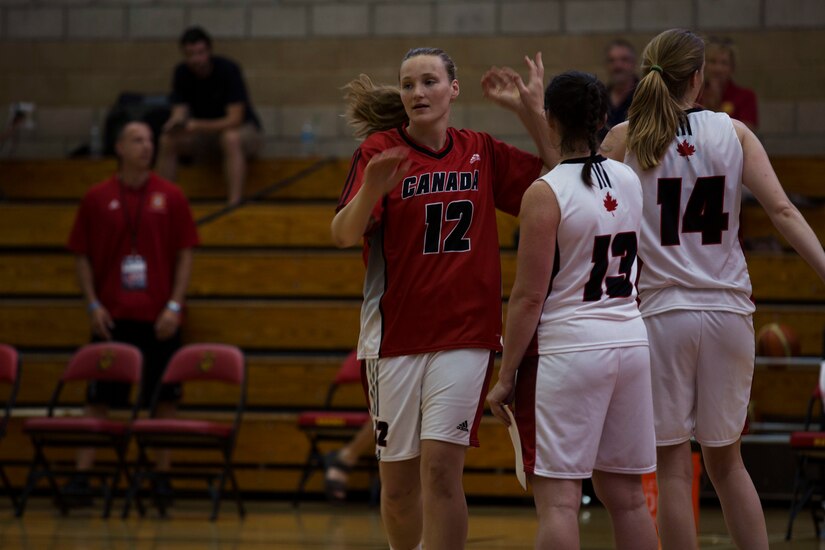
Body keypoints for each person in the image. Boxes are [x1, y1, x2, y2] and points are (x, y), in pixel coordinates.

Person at [595, 29, 825, 549]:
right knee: (728, 463)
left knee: (674, 466)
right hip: (727, 312)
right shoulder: (734, 132)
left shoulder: (622, 140)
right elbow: (784, 212)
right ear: (698, 78)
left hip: (660, 315)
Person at [330, 47, 552, 550]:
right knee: (399, 489)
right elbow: (343, 234)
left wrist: (527, 111)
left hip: (465, 335)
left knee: (441, 473)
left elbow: (557, 177)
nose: (417, 93)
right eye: (408, 85)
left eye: (429, 82)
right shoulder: (379, 151)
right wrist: (369, 191)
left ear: (453, 89)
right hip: (394, 339)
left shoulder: (480, 149)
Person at [486, 71, 658, 550]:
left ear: (551, 119)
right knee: (627, 499)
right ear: (604, 119)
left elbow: (527, 297)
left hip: (570, 352)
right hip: (629, 341)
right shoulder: (627, 177)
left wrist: (505, 375)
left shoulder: (545, 192)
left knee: (560, 503)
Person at [66, 121, 200, 502]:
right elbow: (81, 255)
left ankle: (160, 476)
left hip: (160, 318)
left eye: (150, 140)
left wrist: (175, 305)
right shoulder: (96, 198)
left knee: (165, 399)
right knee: (99, 398)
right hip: (112, 317)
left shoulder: (171, 196)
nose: (147, 146)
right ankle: (81, 476)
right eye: (137, 140)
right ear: (119, 147)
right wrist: (91, 304)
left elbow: (185, 253)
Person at [156, 26, 262, 206]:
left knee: (230, 138)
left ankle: (234, 203)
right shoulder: (182, 73)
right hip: (205, 135)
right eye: (190, 54)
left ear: (209, 51)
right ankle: (161, 202)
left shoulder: (228, 69)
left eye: (200, 52)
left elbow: (235, 119)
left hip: (240, 130)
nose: (197, 59)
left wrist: (197, 125)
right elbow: (179, 110)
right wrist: (175, 123)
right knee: (168, 140)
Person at [698, 36, 758, 132]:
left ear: (732, 68)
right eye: (713, 61)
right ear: (704, 65)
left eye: (724, 63)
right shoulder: (695, 94)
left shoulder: (746, 96)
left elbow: (747, 132)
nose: (718, 68)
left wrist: (716, 106)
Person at [599, 39, 639, 140]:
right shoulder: (599, 98)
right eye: (612, 60)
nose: (618, 66)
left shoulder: (645, 96)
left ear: (633, 63)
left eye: (624, 60)